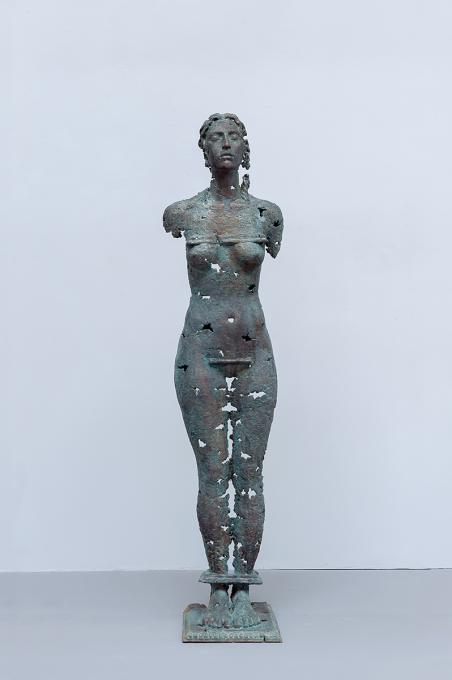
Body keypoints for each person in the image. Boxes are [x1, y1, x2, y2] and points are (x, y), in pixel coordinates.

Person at [163, 113, 283, 628]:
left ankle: (244, 589)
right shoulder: (184, 213)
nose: (226, 144)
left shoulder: (266, 214)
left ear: (245, 146)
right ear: (204, 149)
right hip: (200, 350)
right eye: (216, 137)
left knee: (250, 473)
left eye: (234, 136)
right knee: (213, 472)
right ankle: (218, 586)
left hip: (255, 348)